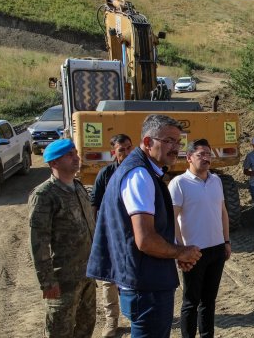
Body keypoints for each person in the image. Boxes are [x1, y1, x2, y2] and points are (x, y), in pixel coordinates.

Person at [86, 114, 202, 337]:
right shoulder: (139, 175)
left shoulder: (143, 171)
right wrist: (181, 251)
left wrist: (175, 255)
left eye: (178, 142)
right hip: (146, 287)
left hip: (144, 282)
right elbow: (146, 239)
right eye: (168, 141)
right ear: (148, 143)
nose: (175, 147)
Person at [28, 139, 96, 337]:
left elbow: (90, 229)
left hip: (87, 276)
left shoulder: (79, 187)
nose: (76, 158)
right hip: (63, 281)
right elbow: (38, 242)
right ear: (54, 163)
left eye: (75, 153)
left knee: (86, 327)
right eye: (69, 155)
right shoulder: (44, 195)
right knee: (60, 331)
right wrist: (47, 281)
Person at [169, 138, 232, 338]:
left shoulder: (216, 180)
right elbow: (172, 219)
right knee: (191, 302)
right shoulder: (179, 183)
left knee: (209, 301)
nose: (206, 158)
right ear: (188, 158)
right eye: (201, 154)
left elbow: (222, 212)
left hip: (217, 249)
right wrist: (180, 250)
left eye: (208, 154)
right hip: (193, 252)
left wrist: (227, 241)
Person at [89, 133, 133, 338]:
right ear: (113, 152)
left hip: (132, 235)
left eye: (129, 148)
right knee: (109, 281)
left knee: (132, 278)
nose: (126, 152)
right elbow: (94, 203)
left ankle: (135, 317)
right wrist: (96, 231)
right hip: (109, 234)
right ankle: (111, 322)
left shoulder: (138, 172)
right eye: (122, 149)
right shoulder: (106, 174)